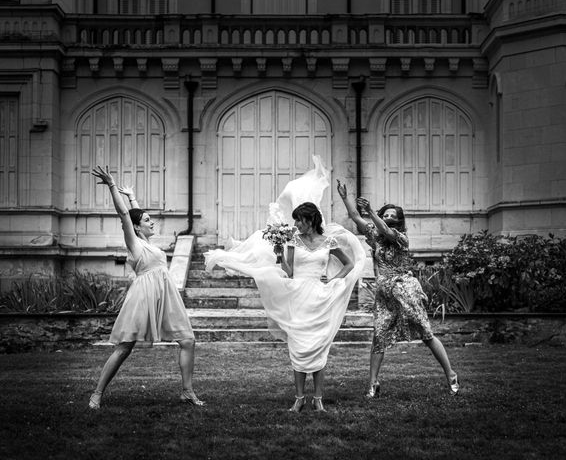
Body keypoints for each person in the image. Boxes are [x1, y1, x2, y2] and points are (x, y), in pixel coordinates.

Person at [204, 158, 365, 412]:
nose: (297, 224)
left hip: (320, 295)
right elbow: (288, 272)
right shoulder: (292, 240)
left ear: (311, 220)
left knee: (319, 345)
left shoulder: (328, 242)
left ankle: (319, 398)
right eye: (296, 220)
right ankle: (300, 397)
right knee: (299, 344)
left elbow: (347, 265)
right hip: (297, 293)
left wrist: (332, 279)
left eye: (300, 220)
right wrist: (279, 254)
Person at [88, 165, 204, 409]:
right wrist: (112, 186)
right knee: (124, 347)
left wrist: (132, 197)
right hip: (144, 295)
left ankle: (187, 391)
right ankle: (97, 393)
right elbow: (125, 216)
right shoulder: (135, 244)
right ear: (137, 227)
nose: (153, 223)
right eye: (148, 221)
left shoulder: (149, 243)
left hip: (166, 294)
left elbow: (134, 214)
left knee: (188, 340)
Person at [336, 180, 459, 398]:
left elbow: (384, 229)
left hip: (405, 289)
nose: (390, 217)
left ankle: (450, 374)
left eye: (394, 216)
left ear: (399, 221)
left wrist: (371, 211)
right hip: (385, 293)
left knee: (426, 333)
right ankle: (373, 383)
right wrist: (345, 197)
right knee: (379, 335)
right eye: (387, 214)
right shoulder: (375, 238)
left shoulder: (401, 238)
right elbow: (356, 217)